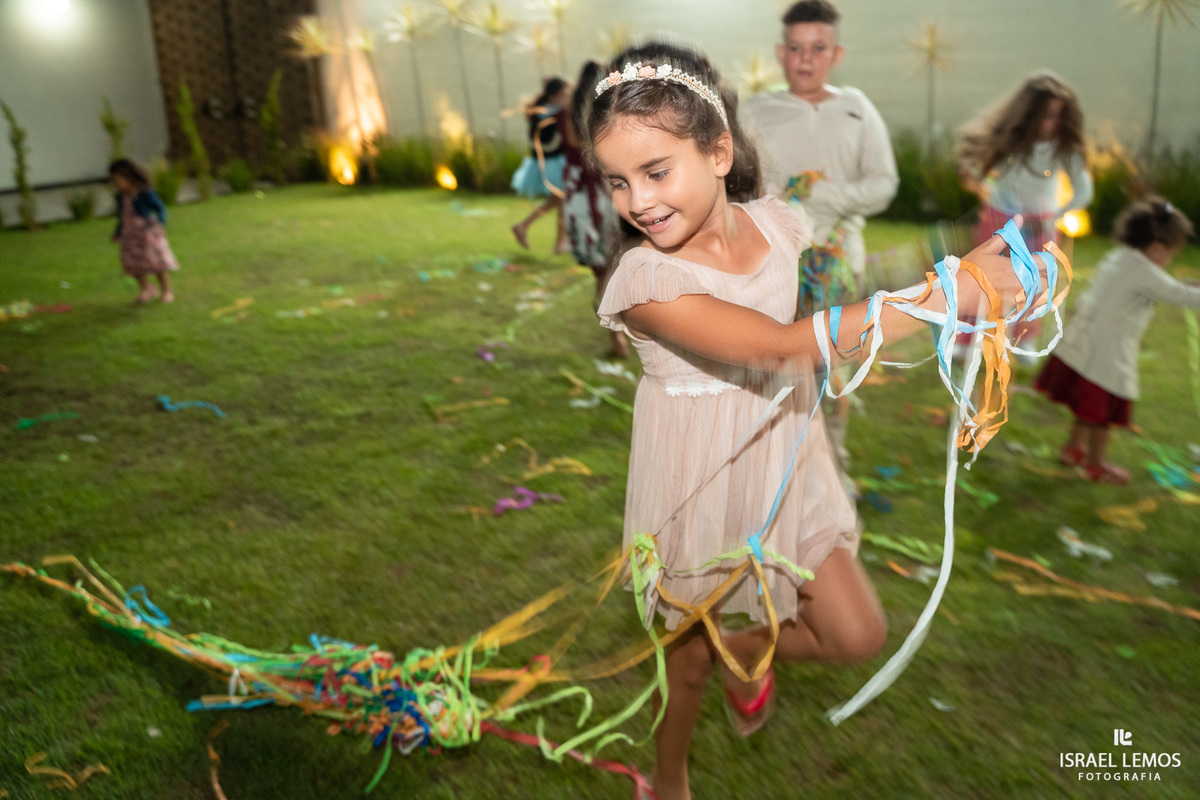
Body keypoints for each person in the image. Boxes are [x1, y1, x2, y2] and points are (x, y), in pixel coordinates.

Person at [587, 41, 1036, 800]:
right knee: (687, 663)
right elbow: (789, 347)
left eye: (656, 171)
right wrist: (946, 295)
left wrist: (961, 261)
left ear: (720, 151)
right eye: (617, 182)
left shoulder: (778, 224)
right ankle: (666, 782)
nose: (637, 201)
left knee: (857, 633)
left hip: (785, 460)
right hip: (700, 479)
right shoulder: (646, 281)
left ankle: (747, 648)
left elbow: (835, 304)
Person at [742, 0, 899, 466]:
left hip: (836, 264)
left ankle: (830, 464)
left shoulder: (856, 109)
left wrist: (827, 196)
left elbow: (883, 184)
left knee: (830, 366)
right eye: (795, 48)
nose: (806, 59)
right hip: (770, 264)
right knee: (772, 364)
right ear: (779, 52)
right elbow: (732, 182)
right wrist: (768, 197)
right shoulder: (756, 112)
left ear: (837, 54)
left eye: (818, 48)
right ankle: (770, 463)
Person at [1035, 197, 1198, 484]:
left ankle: (1073, 449)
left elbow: (1166, 287)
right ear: (1158, 250)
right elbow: (1179, 295)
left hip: (1083, 342)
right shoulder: (1145, 272)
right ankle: (1096, 464)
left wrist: (1185, 286)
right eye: (1172, 252)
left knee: (1087, 402)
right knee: (1102, 411)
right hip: (1107, 351)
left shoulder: (1121, 257)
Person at [957, 70, 1092, 352]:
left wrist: (1055, 215)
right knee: (984, 278)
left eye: (1058, 115)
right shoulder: (1009, 140)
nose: (1052, 123)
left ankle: (1025, 339)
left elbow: (1084, 191)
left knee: (1034, 283)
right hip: (999, 219)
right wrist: (981, 184)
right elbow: (976, 169)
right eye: (1046, 115)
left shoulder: (1065, 150)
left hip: (1041, 225)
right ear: (1028, 114)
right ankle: (967, 339)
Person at [562, 60, 626, 357]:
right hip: (599, 195)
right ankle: (618, 334)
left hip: (581, 198)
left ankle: (617, 336)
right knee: (611, 265)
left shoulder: (570, 117)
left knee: (603, 270)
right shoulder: (602, 116)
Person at [510, 77, 571, 253]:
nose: (567, 99)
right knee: (561, 201)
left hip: (545, 162)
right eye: (564, 95)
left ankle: (524, 226)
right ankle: (560, 244)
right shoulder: (552, 115)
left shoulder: (540, 112)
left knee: (557, 201)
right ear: (554, 97)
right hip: (552, 164)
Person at [109, 158, 179, 304]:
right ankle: (146, 288)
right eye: (113, 181)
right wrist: (118, 232)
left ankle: (166, 290)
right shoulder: (120, 197)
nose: (115, 184)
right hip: (130, 235)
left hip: (147, 233)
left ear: (128, 177)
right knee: (133, 263)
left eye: (117, 180)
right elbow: (123, 217)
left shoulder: (145, 192)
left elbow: (160, 208)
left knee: (155, 261)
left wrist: (160, 223)